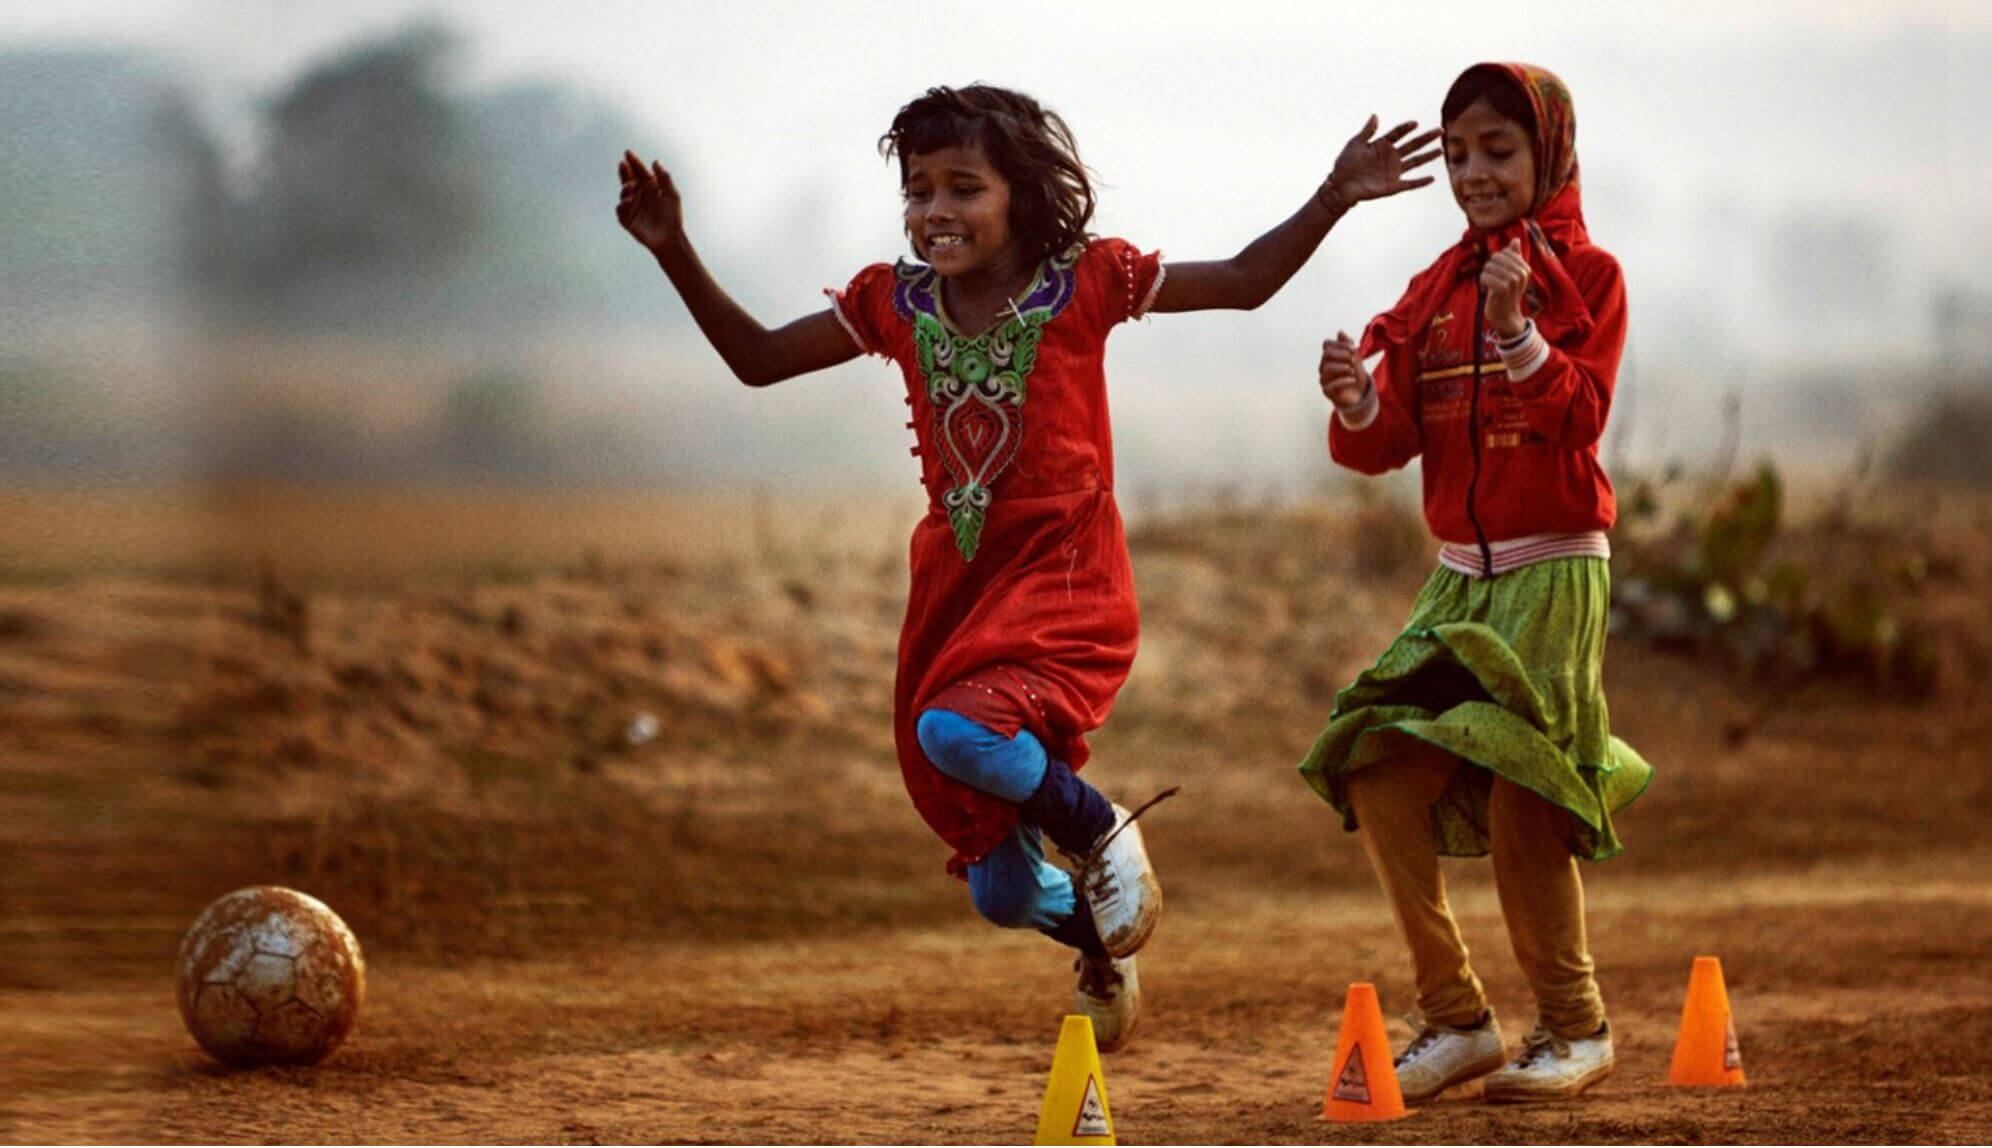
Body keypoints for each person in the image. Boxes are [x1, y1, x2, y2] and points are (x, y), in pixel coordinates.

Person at [620, 83, 1437, 1051]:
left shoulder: (1085, 279)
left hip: (1065, 570)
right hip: (958, 586)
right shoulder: (895, 300)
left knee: (953, 732)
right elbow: (756, 358)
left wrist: (1335, 192)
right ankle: (1101, 938)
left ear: (1022, 195)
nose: (937, 211)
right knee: (1002, 892)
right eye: (919, 190)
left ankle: (1098, 828)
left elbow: (1249, 278)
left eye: (965, 187)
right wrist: (673, 246)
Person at [1305, 62, 1652, 1102]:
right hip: (1458, 584)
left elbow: (1580, 417)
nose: (1473, 173)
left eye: (1496, 151)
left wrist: (1519, 333)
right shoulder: (1435, 291)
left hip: (1556, 574)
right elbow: (1388, 445)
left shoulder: (1588, 276)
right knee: (1374, 768)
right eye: (1457, 154)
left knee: (1523, 789)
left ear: (1550, 154)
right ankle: (1458, 1018)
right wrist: (1362, 400)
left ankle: (1577, 1024)